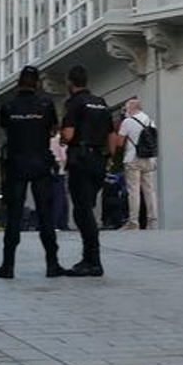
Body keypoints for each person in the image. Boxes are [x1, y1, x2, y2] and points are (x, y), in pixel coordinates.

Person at [0, 67, 62, 278]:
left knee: (14, 215)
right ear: (38, 84)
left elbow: (5, 127)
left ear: (18, 83)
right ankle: (52, 264)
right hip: (41, 163)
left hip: (16, 164)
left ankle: (8, 266)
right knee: (45, 214)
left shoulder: (8, 106)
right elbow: (53, 129)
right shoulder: (46, 105)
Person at [60, 66, 114, 277]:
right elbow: (111, 136)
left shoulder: (74, 103)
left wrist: (63, 136)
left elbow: (69, 134)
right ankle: (91, 259)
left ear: (70, 82)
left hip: (81, 160)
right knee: (88, 207)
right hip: (99, 160)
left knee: (82, 211)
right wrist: (108, 158)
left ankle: (92, 260)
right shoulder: (100, 102)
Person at [116, 97, 158, 230]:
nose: (125, 111)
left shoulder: (127, 121)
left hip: (133, 158)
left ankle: (134, 221)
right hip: (149, 159)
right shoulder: (150, 121)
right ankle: (152, 221)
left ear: (131, 108)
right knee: (149, 190)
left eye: (126, 108)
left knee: (133, 191)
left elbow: (119, 142)